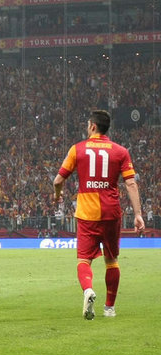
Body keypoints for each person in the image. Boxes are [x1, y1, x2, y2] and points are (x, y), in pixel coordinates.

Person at [53, 110, 144, 319]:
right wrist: (138, 214)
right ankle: (109, 308)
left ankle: (88, 290)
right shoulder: (121, 151)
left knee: (84, 260)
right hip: (111, 212)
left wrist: (58, 195)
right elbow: (131, 183)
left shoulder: (77, 149)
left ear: (93, 126)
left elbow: (58, 180)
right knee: (111, 261)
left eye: (88, 125)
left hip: (87, 214)